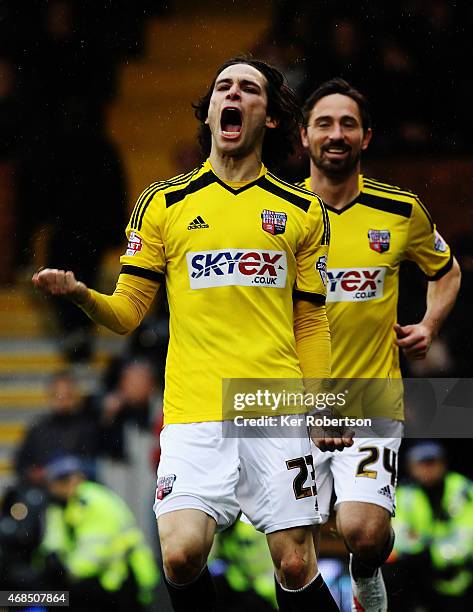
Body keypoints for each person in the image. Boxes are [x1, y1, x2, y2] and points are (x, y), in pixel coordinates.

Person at [32, 57, 352, 611]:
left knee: (297, 563)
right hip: (193, 410)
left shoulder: (302, 210)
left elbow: (310, 320)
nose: (232, 94)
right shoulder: (163, 203)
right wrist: (83, 296)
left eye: (248, 88)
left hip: (271, 404)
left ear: (269, 118)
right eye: (222, 87)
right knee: (179, 554)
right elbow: (129, 312)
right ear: (208, 113)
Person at [299, 78, 461, 611]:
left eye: (348, 123)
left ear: (366, 137)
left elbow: (447, 269)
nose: (336, 133)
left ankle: (366, 571)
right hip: (291, 400)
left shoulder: (399, 209)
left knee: (363, 532)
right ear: (304, 136)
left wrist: (430, 323)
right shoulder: (275, 214)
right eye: (324, 123)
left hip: (370, 399)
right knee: (292, 556)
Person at [38, 455, 160, 611]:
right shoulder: (61, 504)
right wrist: (51, 558)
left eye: (69, 478)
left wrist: (66, 571)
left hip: (123, 577)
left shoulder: (92, 501)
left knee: (61, 597)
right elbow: (54, 539)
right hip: (102, 577)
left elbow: (96, 551)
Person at [385, 441, 473, 611]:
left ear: (443, 464)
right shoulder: (404, 494)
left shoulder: (463, 489)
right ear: (411, 467)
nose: (428, 469)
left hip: (460, 577)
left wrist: (430, 552)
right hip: (419, 575)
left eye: (433, 462)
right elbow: (400, 537)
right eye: (422, 463)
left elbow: (468, 538)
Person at [15, 370, 100, 485]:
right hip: (45, 492)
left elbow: (96, 465)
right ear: (49, 396)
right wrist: (36, 474)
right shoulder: (37, 429)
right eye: (58, 395)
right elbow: (21, 464)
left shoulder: (89, 428)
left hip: (80, 490)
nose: (63, 401)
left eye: (67, 395)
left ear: (75, 395)